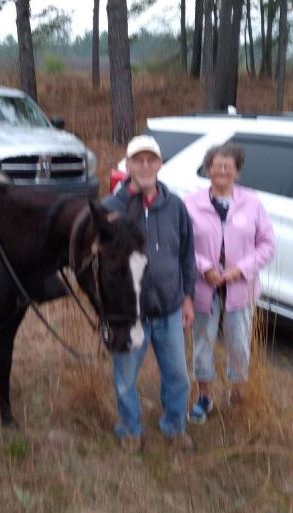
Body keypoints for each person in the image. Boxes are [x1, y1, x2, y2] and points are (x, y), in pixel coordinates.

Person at [101, 135, 196, 452]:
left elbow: (186, 254)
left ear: (160, 164)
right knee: (126, 378)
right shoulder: (110, 209)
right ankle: (130, 430)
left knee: (178, 377)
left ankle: (174, 427)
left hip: (169, 309)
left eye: (150, 160)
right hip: (130, 316)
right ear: (127, 166)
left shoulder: (175, 206)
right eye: (137, 160)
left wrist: (187, 297)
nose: (144, 166)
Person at [184, 143, 275, 423]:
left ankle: (237, 394)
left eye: (228, 165)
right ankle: (204, 397)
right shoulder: (191, 203)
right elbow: (183, 245)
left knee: (239, 343)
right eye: (216, 165)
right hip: (204, 287)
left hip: (240, 288)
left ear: (237, 170)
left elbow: (267, 245)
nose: (221, 170)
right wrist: (205, 267)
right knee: (203, 344)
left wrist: (241, 270)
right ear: (208, 169)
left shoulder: (252, 202)